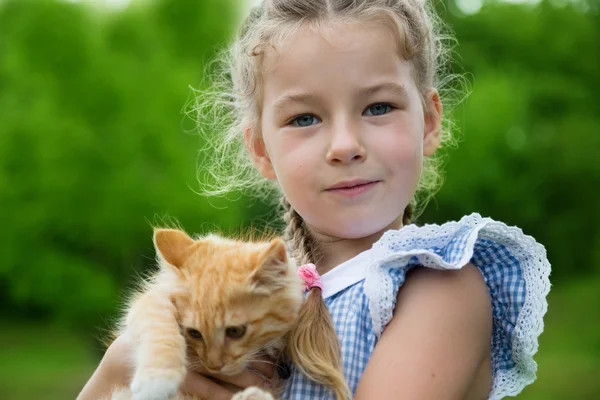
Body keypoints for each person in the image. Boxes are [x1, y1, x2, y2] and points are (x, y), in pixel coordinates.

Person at [78, 0, 551, 399]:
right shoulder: (244, 296)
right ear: (260, 148)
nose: (344, 145)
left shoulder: (438, 286)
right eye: (305, 118)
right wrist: (122, 365)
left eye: (378, 107)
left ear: (428, 121)